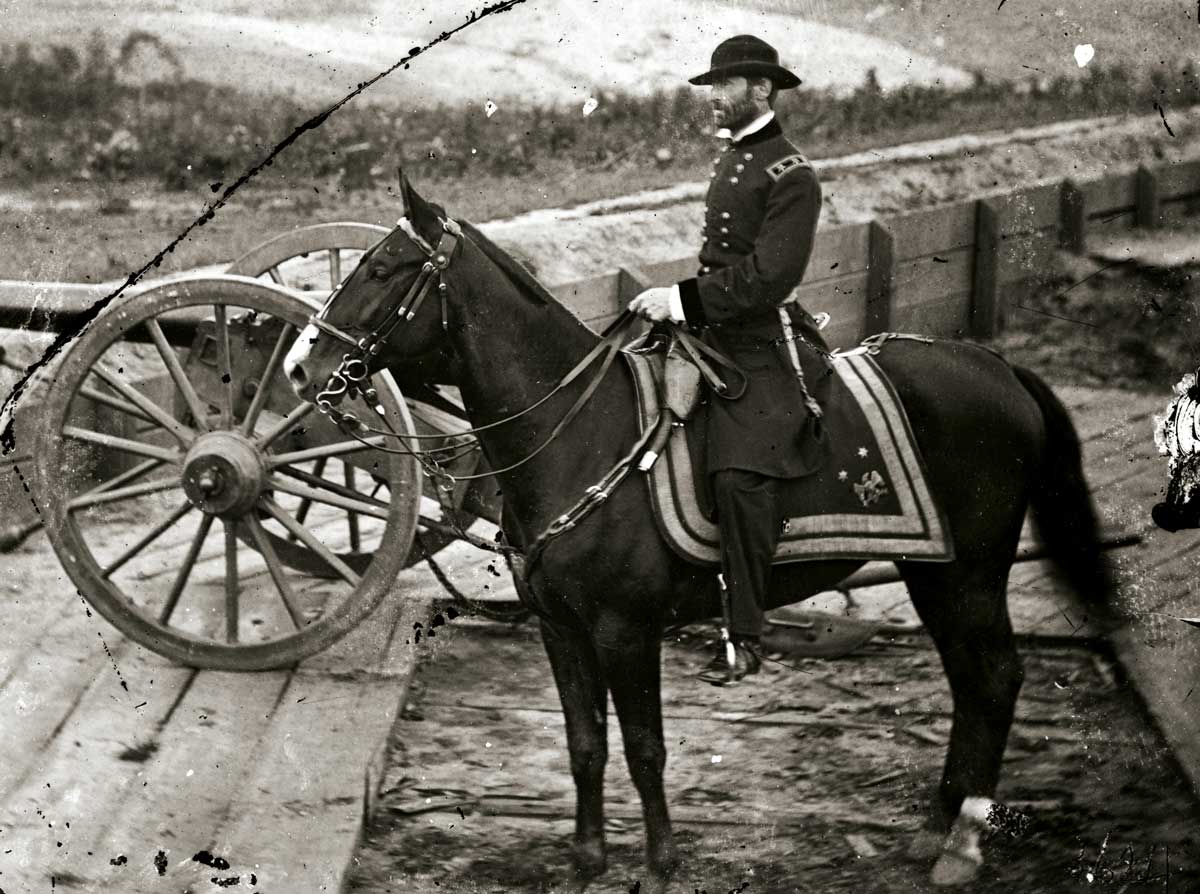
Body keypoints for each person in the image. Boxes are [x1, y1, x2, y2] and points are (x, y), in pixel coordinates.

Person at [628, 34, 831, 685]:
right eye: (712, 87)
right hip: (715, 332)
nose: (713, 98)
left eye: (724, 86)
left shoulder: (791, 174)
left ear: (762, 89)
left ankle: (745, 635)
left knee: (740, 480)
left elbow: (768, 279)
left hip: (761, 343)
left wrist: (681, 300)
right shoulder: (736, 159)